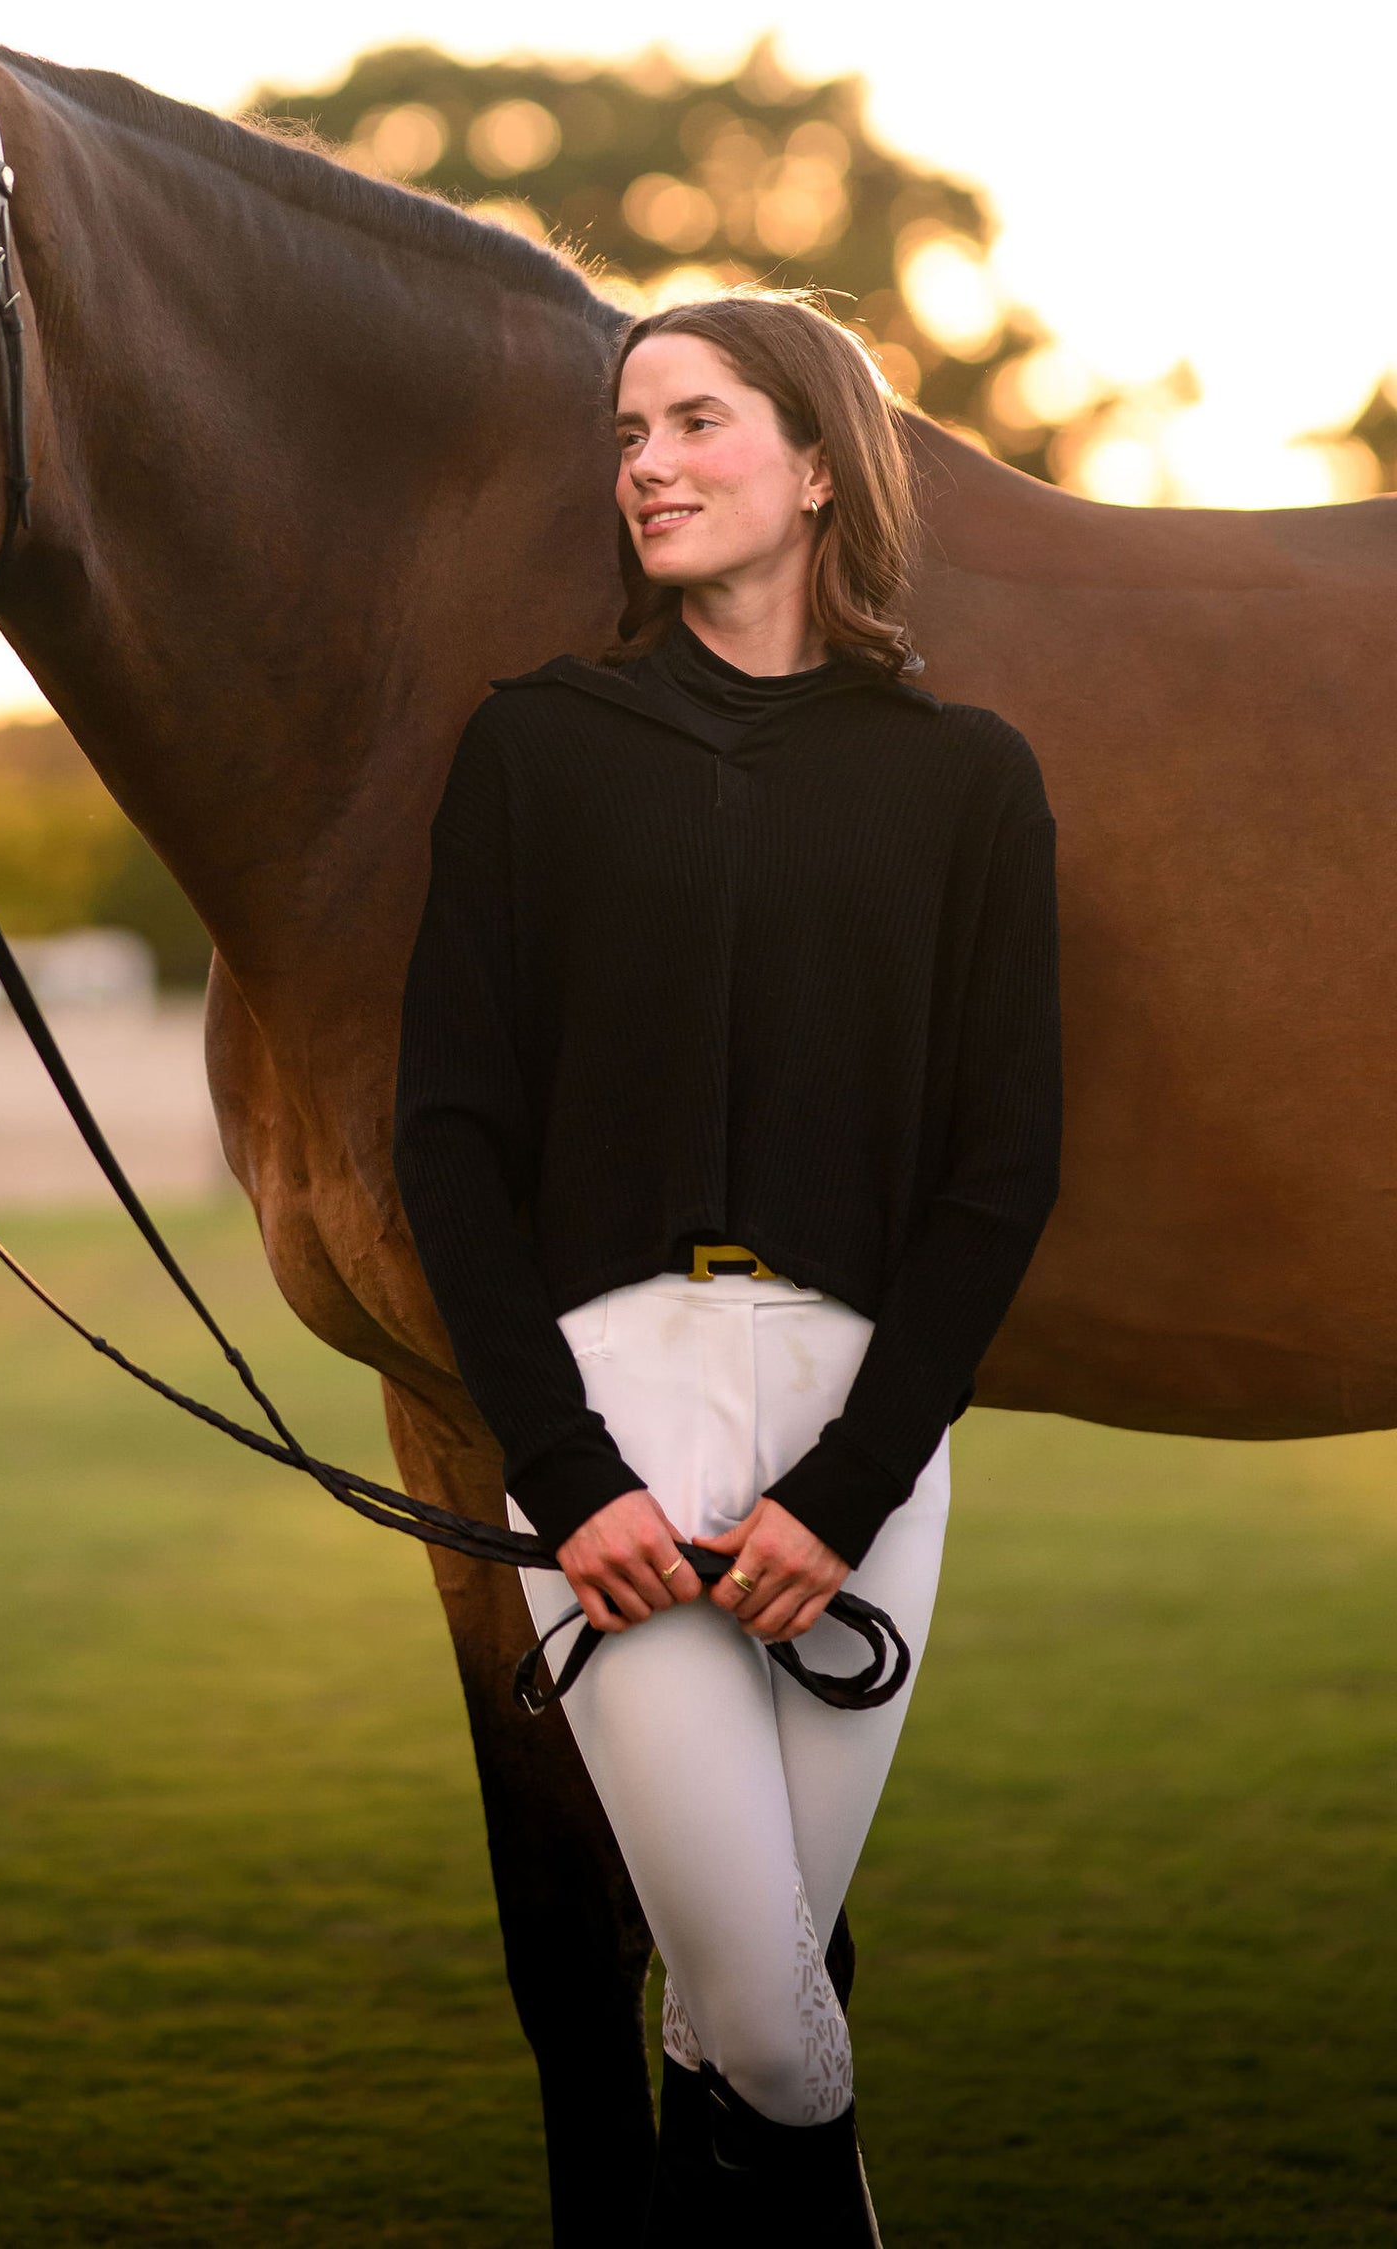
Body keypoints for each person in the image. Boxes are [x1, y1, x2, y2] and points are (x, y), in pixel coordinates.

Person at [392, 291, 1062, 2243]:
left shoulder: (970, 782)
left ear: (820, 463)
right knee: (776, 2023)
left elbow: (997, 1174)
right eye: (625, 433)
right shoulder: (535, 752)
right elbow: (447, 1138)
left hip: (862, 1465)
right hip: (614, 1418)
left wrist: (843, 1494)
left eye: (693, 421)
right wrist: (571, 1476)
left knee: (727, 2005)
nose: (648, 465)